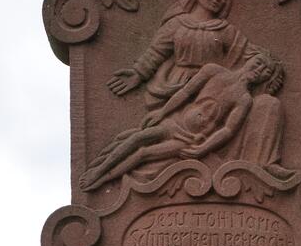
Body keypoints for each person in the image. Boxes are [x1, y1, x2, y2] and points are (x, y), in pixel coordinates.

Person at [81, 54, 283, 191]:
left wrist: (203, 148)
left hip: (190, 139)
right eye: (258, 63)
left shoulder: (244, 100)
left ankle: (104, 178)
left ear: (265, 78)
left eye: (266, 70)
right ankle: (98, 170)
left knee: (144, 153)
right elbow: (185, 92)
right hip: (174, 123)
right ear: (249, 59)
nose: (260, 69)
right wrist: (162, 112)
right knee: (137, 138)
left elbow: (229, 130)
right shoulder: (213, 71)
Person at [107, 0, 278, 109]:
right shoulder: (177, 23)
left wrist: (272, 70)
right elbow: (156, 52)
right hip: (176, 83)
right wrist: (138, 73)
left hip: (211, 85)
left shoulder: (226, 30)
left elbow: (250, 53)